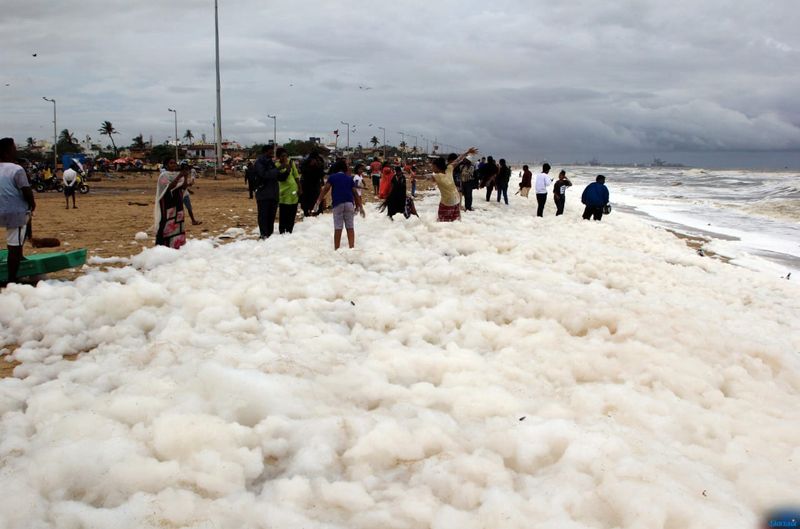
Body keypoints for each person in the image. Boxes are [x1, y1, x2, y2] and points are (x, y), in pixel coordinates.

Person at [0, 138, 36, 285]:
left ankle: (19, 258)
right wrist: (32, 204)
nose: (16, 151)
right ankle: (12, 279)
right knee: (14, 247)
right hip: (15, 212)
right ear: (7, 151)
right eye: (13, 148)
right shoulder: (17, 169)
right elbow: (26, 190)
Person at [315, 159, 365, 250]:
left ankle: (337, 249)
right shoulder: (349, 178)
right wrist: (360, 207)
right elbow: (355, 193)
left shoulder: (332, 177)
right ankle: (351, 247)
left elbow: (326, 189)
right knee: (350, 227)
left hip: (338, 203)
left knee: (338, 227)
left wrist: (318, 201)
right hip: (349, 203)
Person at [431, 147, 478, 222]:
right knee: (455, 221)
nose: (432, 168)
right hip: (456, 199)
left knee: (442, 222)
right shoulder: (449, 168)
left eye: (432, 166)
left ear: (437, 167)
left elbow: (425, 177)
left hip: (448, 201)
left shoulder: (438, 175)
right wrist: (467, 152)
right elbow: (459, 159)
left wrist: (414, 176)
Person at [154, 158, 188, 249]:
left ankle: (177, 244)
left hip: (178, 201)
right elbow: (169, 187)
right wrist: (180, 176)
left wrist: (185, 176)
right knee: (166, 222)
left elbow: (184, 187)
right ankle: (163, 245)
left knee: (178, 221)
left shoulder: (178, 174)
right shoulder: (163, 176)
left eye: (175, 163)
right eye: (171, 163)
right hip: (167, 201)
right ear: (166, 165)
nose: (173, 165)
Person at [253, 146, 279, 238]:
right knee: (263, 216)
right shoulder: (259, 162)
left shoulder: (271, 162)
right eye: (270, 151)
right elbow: (263, 174)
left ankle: (269, 236)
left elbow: (277, 176)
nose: (272, 153)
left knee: (271, 217)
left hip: (273, 194)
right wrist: (277, 170)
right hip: (263, 195)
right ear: (265, 152)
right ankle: (264, 235)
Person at [276, 148, 300, 234]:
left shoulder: (291, 162)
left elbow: (296, 176)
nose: (285, 158)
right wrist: (284, 169)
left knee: (292, 211)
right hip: (283, 192)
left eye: (286, 156)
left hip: (293, 190)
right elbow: (278, 177)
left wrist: (300, 187)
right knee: (283, 212)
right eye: (282, 156)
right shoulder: (276, 165)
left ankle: (290, 231)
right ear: (278, 157)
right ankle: (282, 231)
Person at [300, 151, 325, 216]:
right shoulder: (305, 161)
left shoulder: (319, 161)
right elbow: (302, 171)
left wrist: (317, 165)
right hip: (307, 182)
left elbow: (321, 173)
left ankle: (318, 212)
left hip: (315, 182)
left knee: (316, 197)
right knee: (306, 198)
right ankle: (306, 212)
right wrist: (310, 165)